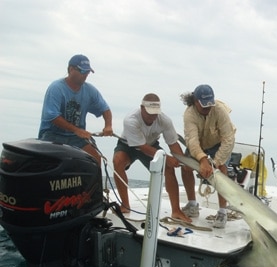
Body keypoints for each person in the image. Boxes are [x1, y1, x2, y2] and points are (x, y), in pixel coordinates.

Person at [112, 93, 191, 223]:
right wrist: (166, 158)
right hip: (129, 145)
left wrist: (185, 162)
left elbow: (173, 143)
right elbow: (141, 147)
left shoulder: (164, 120)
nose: (152, 117)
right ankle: (125, 205)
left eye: (155, 113)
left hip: (152, 144)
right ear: (142, 108)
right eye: (149, 113)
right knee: (118, 161)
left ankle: (176, 210)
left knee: (169, 169)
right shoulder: (130, 120)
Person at [180, 84, 236, 228]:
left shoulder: (220, 110)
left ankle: (223, 211)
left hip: (218, 144)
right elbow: (192, 141)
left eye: (209, 105)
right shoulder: (189, 114)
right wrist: (202, 159)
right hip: (199, 145)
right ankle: (192, 205)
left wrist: (215, 162)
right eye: (204, 105)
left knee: (221, 170)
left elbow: (228, 139)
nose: (207, 108)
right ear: (195, 101)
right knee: (186, 167)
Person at [39, 54, 112, 162]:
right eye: (82, 71)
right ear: (70, 69)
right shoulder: (56, 88)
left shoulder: (90, 91)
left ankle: (93, 179)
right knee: (53, 162)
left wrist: (108, 126)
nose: (85, 75)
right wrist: (77, 130)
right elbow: (52, 116)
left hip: (77, 138)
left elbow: (105, 109)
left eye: (88, 72)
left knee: (95, 158)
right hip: (52, 134)